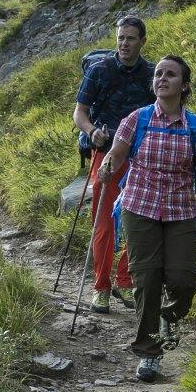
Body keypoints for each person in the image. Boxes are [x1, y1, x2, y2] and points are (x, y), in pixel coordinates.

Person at [96, 55, 196, 382]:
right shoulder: (136, 120)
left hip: (180, 209)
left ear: (184, 85)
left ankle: (168, 316)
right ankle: (148, 353)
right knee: (146, 280)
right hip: (140, 205)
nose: (162, 78)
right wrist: (107, 166)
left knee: (182, 280)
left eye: (171, 75)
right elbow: (117, 154)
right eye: (159, 74)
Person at [72, 16, 155, 311]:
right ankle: (101, 287)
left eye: (131, 38)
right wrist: (92, 131)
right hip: (106, 152)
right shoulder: (99, 71)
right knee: (104, 220)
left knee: (136, 219)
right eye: (121, 37)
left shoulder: (152, 74)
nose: (124, 43)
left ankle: (125, 280)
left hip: (140, 157)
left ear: (142, 42)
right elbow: (79, 113)